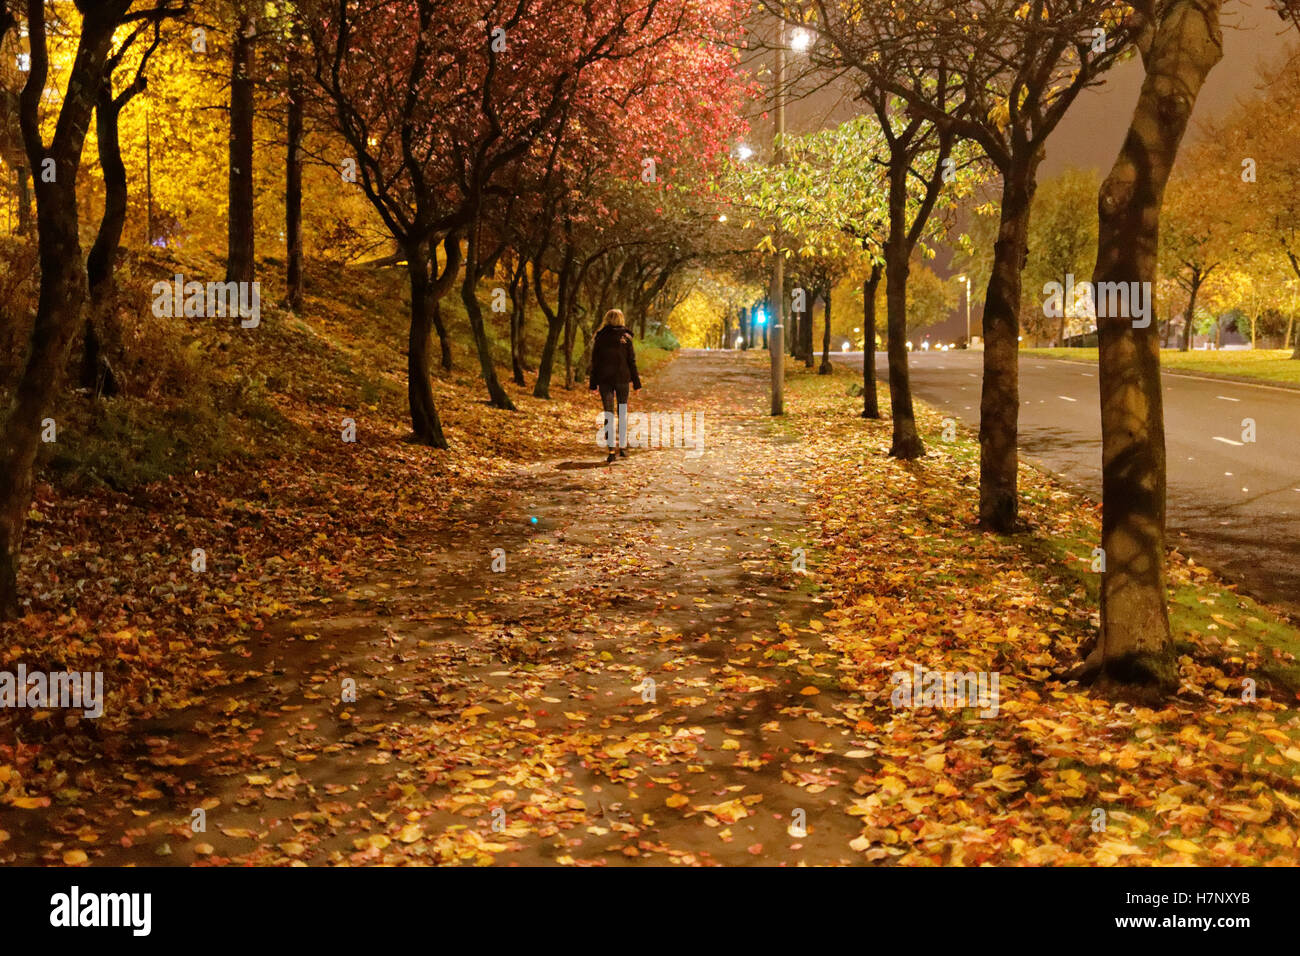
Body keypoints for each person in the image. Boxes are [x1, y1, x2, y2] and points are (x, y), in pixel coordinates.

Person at [588, 309, 641, 464]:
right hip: (622, 379)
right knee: (622, 412)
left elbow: (595, 363)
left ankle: (611, 450)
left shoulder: (600, 337)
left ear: (607, 319)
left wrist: (593, 384)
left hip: (605, 380)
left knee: (609, 414)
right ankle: (622, 447)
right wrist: (637, 383)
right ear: (621, 319)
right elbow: (632, 361)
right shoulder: (626, 338)